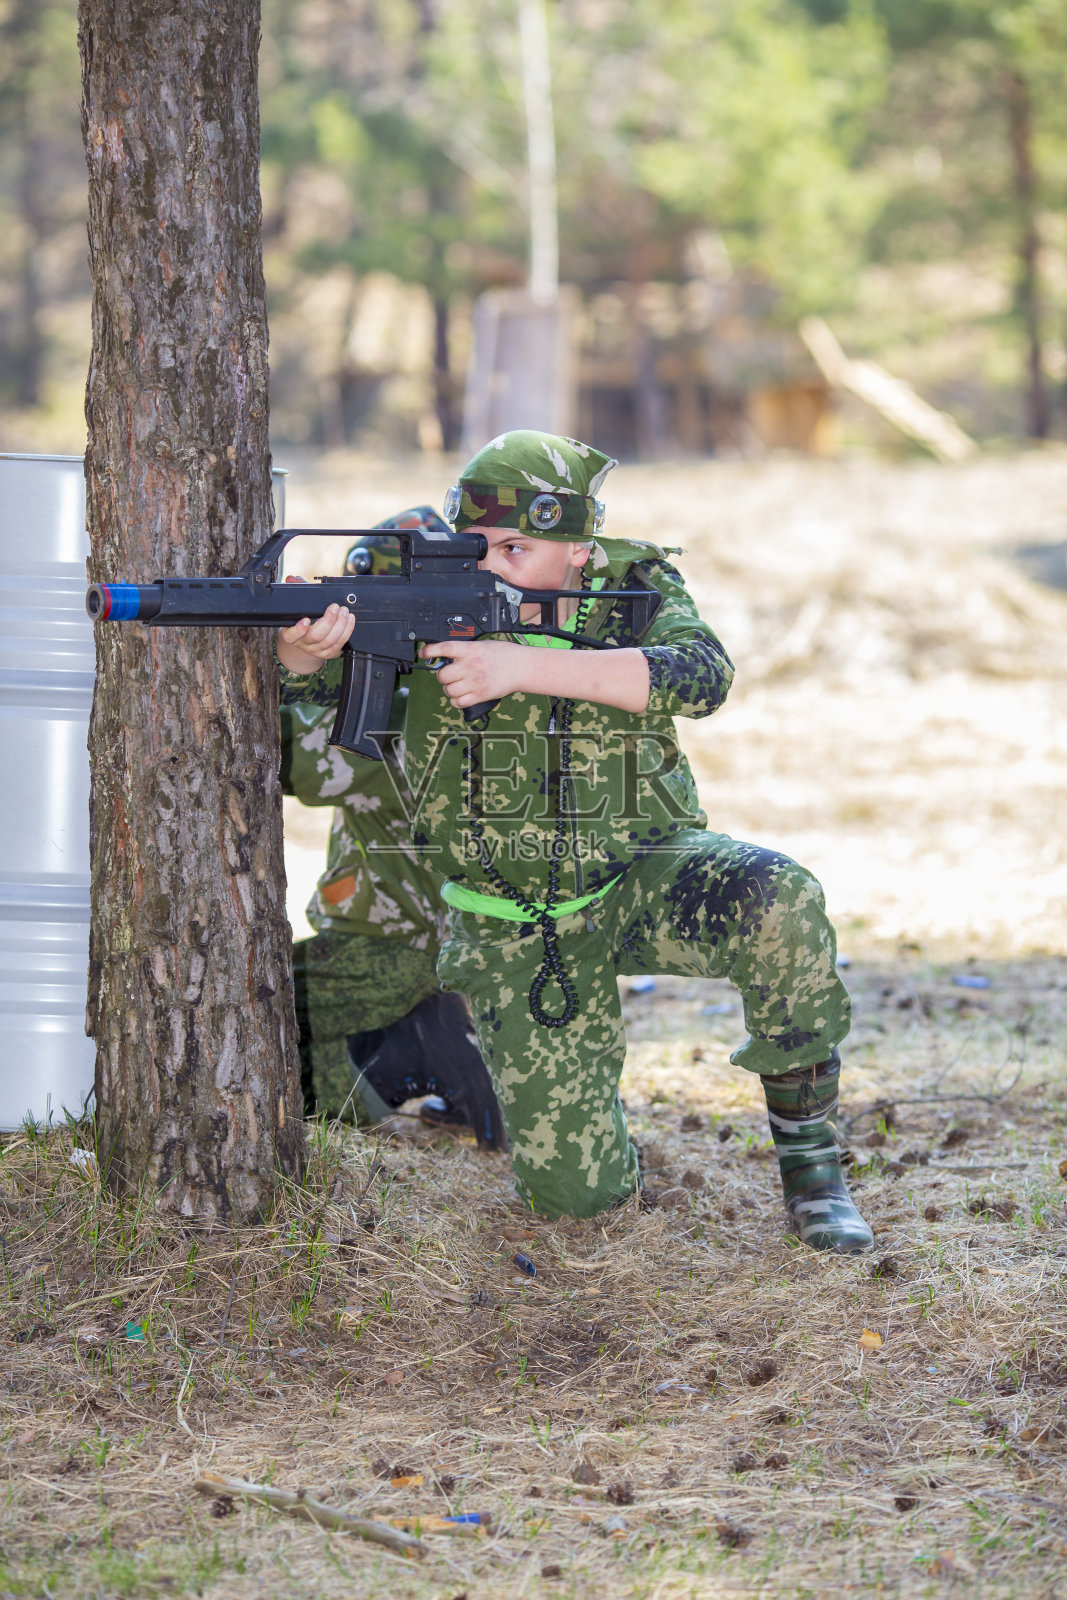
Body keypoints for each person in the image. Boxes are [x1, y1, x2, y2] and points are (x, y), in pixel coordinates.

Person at [276, 433, 872, 1253]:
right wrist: (297, 653)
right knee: (577, 1206)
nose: (493, 566)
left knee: (780, 898)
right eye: (477, 545)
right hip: (511, 920)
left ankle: (814, 1174)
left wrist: (518, 665)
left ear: (581, 549)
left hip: (643, 872)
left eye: (519, 549)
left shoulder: (633, 581)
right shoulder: (422, 588)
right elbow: (307, 729)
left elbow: (699, 676)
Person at [280, 507, 505, 1150]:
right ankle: (452, 1056)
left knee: (240, 1013)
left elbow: (278, 752)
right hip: (436, 952)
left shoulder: (398, 715)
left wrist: (276, 658)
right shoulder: (462, 696)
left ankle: (411, 1055)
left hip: (382, 952)